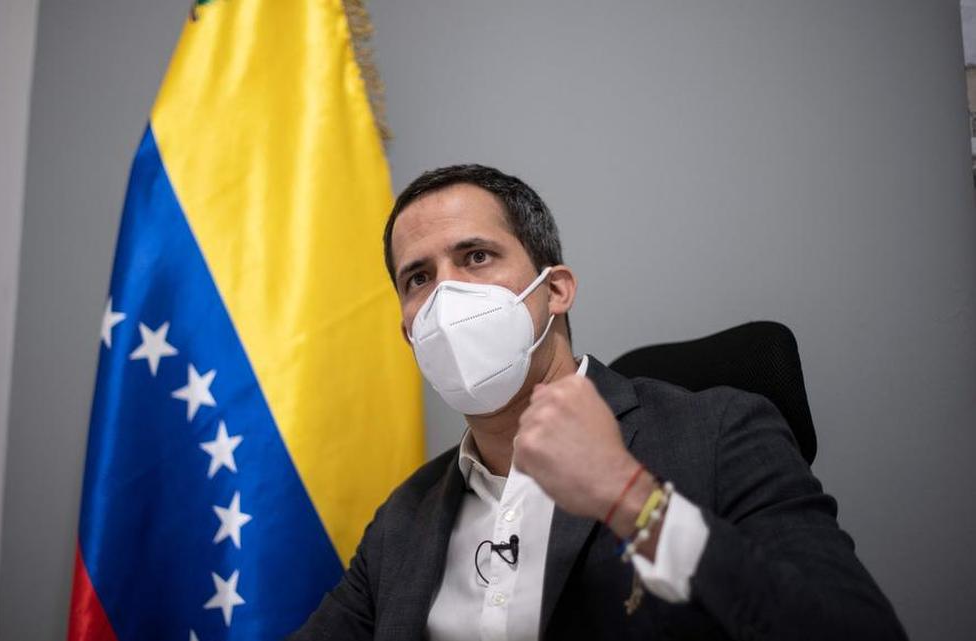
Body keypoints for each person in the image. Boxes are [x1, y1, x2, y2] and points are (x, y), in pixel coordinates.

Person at [289, 164, 906, 640]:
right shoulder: (404, 518)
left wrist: (631, 500)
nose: (446, 296)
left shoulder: (719, 432)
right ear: (407, 329)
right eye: (417, 278)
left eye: (476, 257)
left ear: (555, 290)